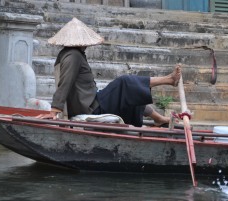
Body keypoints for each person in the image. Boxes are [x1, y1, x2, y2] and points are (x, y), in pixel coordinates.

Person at [36, 17, 181, 127]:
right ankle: (169, 80)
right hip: (91, 109)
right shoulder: (73, 55)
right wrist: (54, 110)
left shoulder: (70, 54)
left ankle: (159, 119)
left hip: (93, 101)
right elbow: (65, 83)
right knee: (125, 82)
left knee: (131, 92)